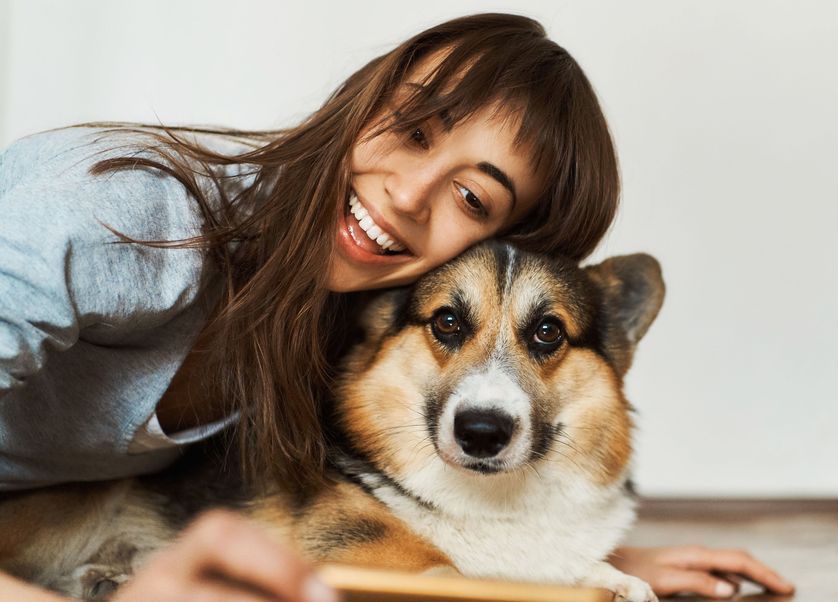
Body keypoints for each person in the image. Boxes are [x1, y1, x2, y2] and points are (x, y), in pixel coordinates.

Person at [0, 13, 795, 601]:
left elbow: (334, 518)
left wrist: (570, 575)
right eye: (413, 130)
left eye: (473, 197)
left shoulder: (346, 317)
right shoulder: (123, 217)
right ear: (361, 98)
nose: (410, 195)